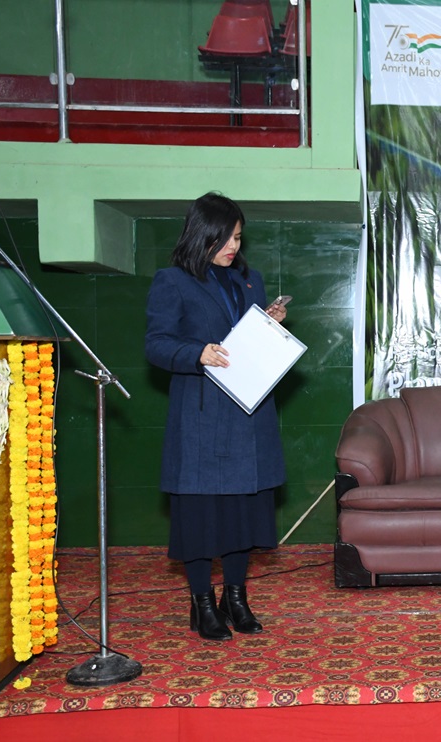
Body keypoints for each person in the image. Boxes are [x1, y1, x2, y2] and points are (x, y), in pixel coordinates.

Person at [145, 192, 287, 641]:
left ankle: (237, 598)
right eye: (226, 237)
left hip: (248, 414)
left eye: (239, 238)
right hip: (202, 418)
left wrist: (270, 324)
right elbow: (156, 344)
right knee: (202, 516)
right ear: (202, 234)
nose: (233, 246)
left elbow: (248, 342)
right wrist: (197, 353)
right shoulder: (172, 281)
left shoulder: (250, 280)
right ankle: (202, 602)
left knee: (243, 513)